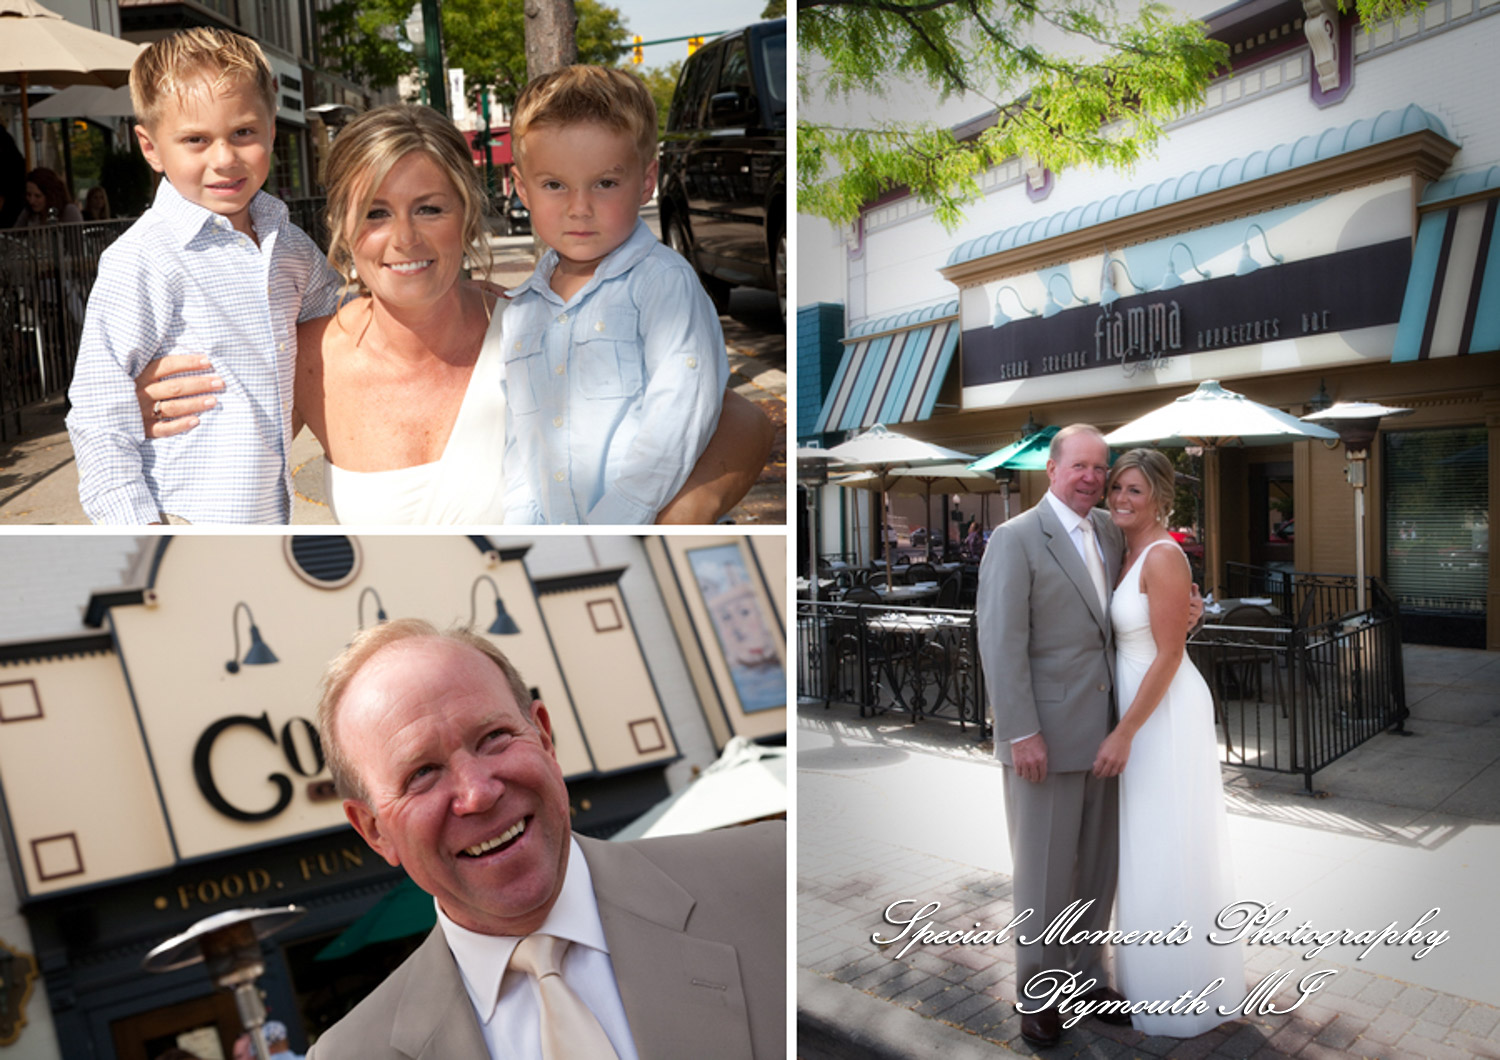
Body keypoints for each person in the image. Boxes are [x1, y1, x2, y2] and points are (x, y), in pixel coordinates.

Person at [134, 104, 770, 525]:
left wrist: (664, 527)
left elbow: (744, 423)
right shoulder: (305, 356)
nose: (404, 239)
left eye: (430, 208)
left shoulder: (533, 323)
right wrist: (138, 411)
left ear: (466, 213)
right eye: (375, 213)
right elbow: (209, 488)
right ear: (342, 226)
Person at [306, 620, 784, 1059]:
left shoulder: (769, 877)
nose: (478, 793)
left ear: (544, 738)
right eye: (422, 773)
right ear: (373, 830)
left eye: (493, 737)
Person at [65, 28, 346, 523]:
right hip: (179, 517)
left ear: (271, 130)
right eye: (196, 140)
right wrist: (141, 530)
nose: (224, 159)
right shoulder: (142, 259)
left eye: (243, 133)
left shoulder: (290, 246)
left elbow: (348, 323)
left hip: (266, 516)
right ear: (151, 147)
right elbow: (99, 413)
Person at [500, 66, 729, 524]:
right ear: (522, 188)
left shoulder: (662, 284)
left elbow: (677, 424)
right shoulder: (519, 311)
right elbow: (519, 448)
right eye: (554, 185)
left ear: (646, 181)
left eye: (605, 183)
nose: (579, 208)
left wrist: (610, 529)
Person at [975, 424, 1132, 1046]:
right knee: (1041, 875)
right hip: (1042, 738)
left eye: (1100, 467)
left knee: (1096, 869)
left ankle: (1087, 979)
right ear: (1052, 469)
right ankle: (1037, 994)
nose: (1092, 477)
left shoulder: (1111, 533)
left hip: (1106, 736)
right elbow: (999, 641)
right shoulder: (1016, 538)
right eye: (1080, 466)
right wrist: (1021, 732)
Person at [1094, 448, 1243, 1036]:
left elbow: (1170, 653)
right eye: (1116, 488)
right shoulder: (1122, 549)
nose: (1121, 499)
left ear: (1159, 497)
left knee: (1166, 843)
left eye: (1134, 490)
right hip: (1139, 705)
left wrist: (1124, 731)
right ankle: (1147, 981)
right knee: (1144, 845)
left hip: (1163, 711)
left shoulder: (1163, 554)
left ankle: (1180, 990)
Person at [10, 167, 83, 226]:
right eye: (28, 195)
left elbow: (76, 239)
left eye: (37, 196)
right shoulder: (28, 212)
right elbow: (14, 236)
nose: (31, 201)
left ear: (51, 196)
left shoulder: (69, 211)